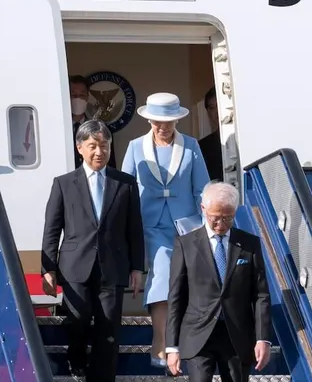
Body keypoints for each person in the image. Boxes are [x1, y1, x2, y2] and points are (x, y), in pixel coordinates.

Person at [40, 119, 145, 381]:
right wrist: (48, 269)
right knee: (79, 318)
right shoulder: (64, 183)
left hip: (113, 266)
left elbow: (135, 228)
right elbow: (52, 229)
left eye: (105, 146)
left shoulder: (125, 183)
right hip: (75, 266)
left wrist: (136, 267)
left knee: (109, 327)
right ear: (80, 148)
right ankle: (76, 361)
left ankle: (103, 376)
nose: (100, 152)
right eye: (93, 146)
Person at [121, 92, 210, 369]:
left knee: (184, 282)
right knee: (162, 275)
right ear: (149, 120)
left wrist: (207, 225)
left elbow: (202, 188)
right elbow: (125, 189)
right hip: (150, 225)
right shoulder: (136, 147)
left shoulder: (191, 146)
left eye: (169, 121)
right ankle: (159, 341)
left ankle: (179, 341)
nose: (163, 127)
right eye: (158, 121)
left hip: (186, 225)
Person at [166, 181, 272, 381]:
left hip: (237, 335)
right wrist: (172, 346)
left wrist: (262, 338)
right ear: (203, 208)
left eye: (228, 218)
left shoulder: (249, 244)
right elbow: (176, 297)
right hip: (198, 333)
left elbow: (260, 294)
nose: (221, 225)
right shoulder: (185, 244)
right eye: (215, 218)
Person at [69, 75, 117, 169]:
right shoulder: (58, 129)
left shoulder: (101, 128)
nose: (77, 99)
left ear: (87, 97)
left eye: (82, 95)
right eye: (73, 95)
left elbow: (110, 165)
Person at [197, 87, 223, 181]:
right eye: (212, 108)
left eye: (219, 105)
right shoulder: (201, 147)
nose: (217, 111)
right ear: (208, 112)